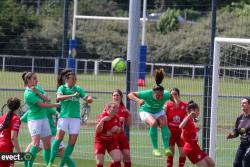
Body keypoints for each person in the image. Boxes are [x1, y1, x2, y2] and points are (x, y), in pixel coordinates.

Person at [48, 71, 93, 167]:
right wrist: (72, 95)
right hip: (64, 117)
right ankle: (50, 163)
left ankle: (62, 164)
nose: (75, 80)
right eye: (73, 78)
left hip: (75, 118)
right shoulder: (62, 88)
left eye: (75, 78)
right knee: (58, 139)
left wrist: (89, 98)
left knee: (72, 143)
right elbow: (59, 97)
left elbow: (86, 97)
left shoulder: (78, 88)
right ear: (67, 79)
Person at [128, 68, 172, 157]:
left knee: (164, 123)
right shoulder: (147, 93)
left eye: (161, 95)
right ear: (153, 93)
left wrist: (175, 102)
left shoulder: (166, 94)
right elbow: (130, 94)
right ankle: (155, 149)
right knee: (153, 123)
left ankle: (167, 148)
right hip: (146, 111)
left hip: (158, 111)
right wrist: (138, 100)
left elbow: (172, 97)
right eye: (157, 95)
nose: (160, 97)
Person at [23, 72, 60, 167]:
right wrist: (55, 105)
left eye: (36, 78)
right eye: (34, 78)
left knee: (47, 145)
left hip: (44, 119)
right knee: (35, 144)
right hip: (34, 120)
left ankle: (48, 165)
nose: (37, 80)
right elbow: (43, 105)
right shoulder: (27, 94)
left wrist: (38, 92)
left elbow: (47, 99)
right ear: (28, 80)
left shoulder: (38, 87)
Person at [179, 101, 215, 167]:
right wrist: (189, 115)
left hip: (196, 147)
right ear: (192, 111)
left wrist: (195, 131)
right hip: (190, 148)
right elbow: (180, 126)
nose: (198, 112)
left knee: (211, 163)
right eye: (197, 110)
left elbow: (183, 135)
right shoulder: (187, 118)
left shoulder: (192, 120)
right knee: (205, 166)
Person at [95, 102, 122, 167]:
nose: (115, 109)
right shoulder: (103, 116)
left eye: (117, 108)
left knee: (118, 159)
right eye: (113, 108)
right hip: (100, 141)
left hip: (111, 141)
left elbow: (119, 131)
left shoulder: (117, 118)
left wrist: (117, 129)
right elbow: (98, 130)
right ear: (108, 108)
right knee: (100, 163)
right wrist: (102, 121)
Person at [109, 89, 132, 167]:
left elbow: (128, 125)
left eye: (117, 95)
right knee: (118, 158)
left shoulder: (124, 109)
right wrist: (118, 119)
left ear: (121, 97)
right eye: (114, 95)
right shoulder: (109, 108)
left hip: (121, 136)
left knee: (127, 156)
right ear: (112, 97)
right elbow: (106, 123)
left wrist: (129, 115)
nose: (116, 97)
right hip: (113, 137)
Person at [165, 88, 187, 167]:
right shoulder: (167, 105)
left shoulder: (184, 106)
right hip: (170, 133)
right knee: (170, 153)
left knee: (183, 154)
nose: (173, 96)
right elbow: (162, 118)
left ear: (178, 95)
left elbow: (190, 119)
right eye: (172, 94)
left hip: (181, 134)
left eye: (175, 94)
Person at [227, 98, 250, 167]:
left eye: (244, 103)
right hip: (243, 144)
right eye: (241, 103)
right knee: (236, 163)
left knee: (246, 160)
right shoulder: (240, 117)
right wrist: (232, 135)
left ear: (249, 105)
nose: (242, 104)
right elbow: (237, 131)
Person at [0, 97, 22, 167]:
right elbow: (13, 138)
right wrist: (19, 153)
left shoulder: (3, 117)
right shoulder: (16, 119)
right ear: (18, 107)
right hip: (6, 149)